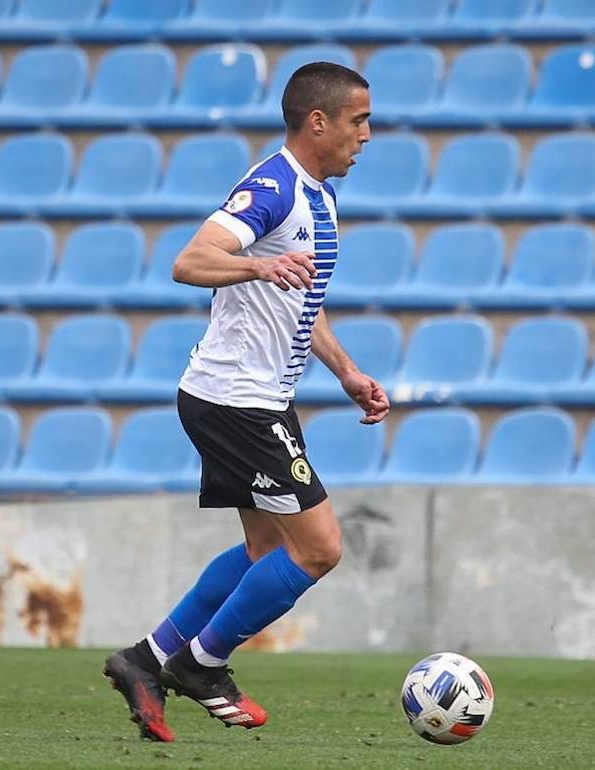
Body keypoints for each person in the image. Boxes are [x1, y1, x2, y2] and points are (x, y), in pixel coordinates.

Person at [101, 61, 388, 742]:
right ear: (318, 122)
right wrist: (257, 261)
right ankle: (203, 664)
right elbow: (190, 261)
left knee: (266, 550)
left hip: (253, 398)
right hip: (237, 402)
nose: (367, 135)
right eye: (359, 121)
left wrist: (346, 370)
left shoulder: (319, 195)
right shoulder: (273, 187)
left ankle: (145, 660)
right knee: (319, 549)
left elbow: (299, 297)